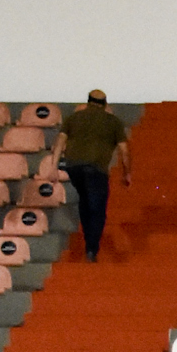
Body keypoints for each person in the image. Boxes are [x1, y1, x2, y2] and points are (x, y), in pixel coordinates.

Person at [56, 89, 130, 261]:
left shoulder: (73, 118)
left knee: (85, 200)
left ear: (88, 101)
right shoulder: (113, 122)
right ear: (105, 104)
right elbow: (124, 150)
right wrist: (127, 173)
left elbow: (60, 142)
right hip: (96, 169)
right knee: (97, 209)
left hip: (74, 167)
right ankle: (91, 248)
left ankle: (88, 239)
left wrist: (54, 166)